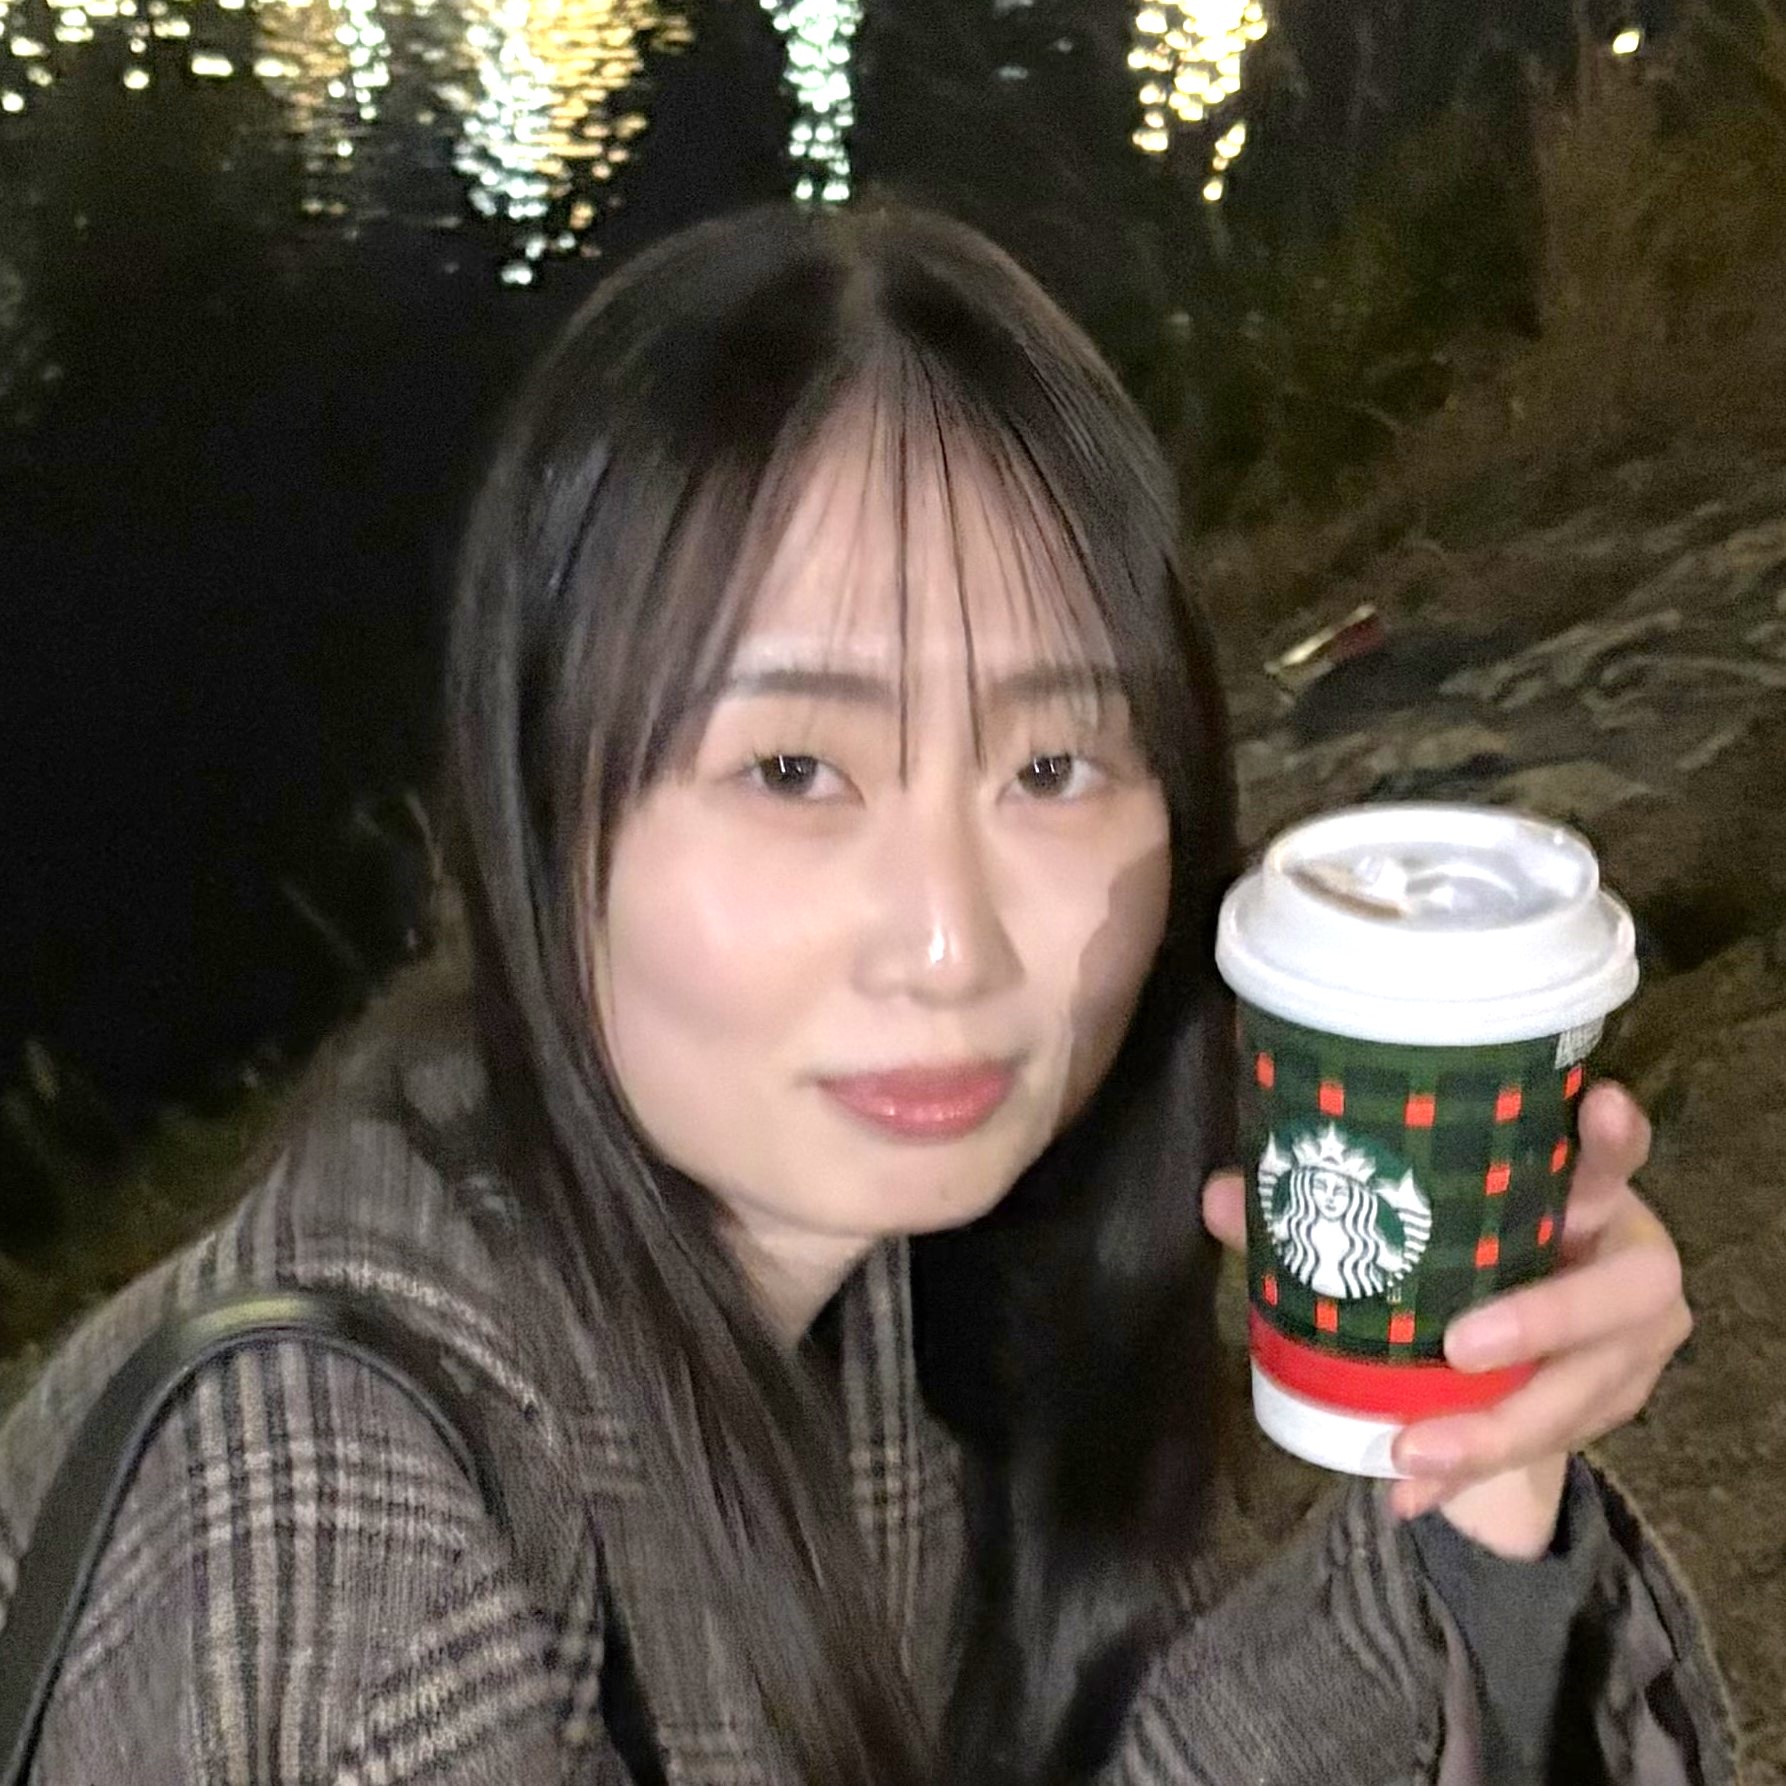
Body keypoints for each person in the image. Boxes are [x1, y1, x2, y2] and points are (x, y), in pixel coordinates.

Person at [0, 202, 1734, 1785]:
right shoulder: (327, 1550)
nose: (948, 944)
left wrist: (1467, 1464)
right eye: (792, 770)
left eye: (1049, 765)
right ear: (538, 808)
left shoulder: (871, 1298)